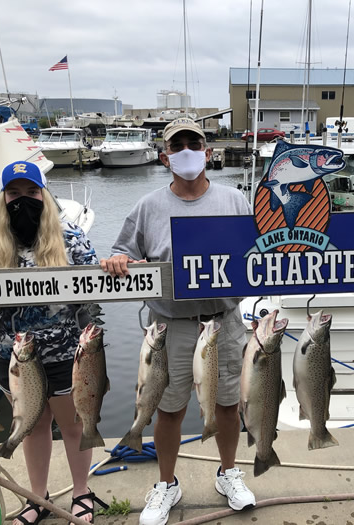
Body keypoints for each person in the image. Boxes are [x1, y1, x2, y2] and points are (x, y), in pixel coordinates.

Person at [0, 161, 107, 524]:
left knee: (73, 426)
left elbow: (97, 282)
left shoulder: (71, 237)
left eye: (31, 193)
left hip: (65, 355)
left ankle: (80, 492)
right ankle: (38, 498)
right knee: (32, 426)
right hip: (11, 355)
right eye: (14, 193)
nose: (22, 200)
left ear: (44, 195)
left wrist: (117, 265)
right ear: (3, 197)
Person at [100, 118, 255, 525]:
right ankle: (166, 484)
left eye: (194, 142)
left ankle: (228, 473)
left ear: (207, 151)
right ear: (165, 153)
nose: (186, 149)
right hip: (170, 326)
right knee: (169, 409)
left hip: (223, 320)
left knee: (226, 405)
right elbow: (122, 250)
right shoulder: (148, 206)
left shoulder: (235, 200)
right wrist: (118, 259)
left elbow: (258, 252)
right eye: (178, 143)